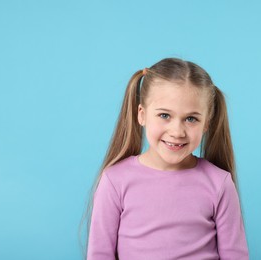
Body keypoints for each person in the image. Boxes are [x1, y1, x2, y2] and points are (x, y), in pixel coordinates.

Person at [85, 58, 249, 259]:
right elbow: (100, 254)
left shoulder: (220, 184)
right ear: (142, 115)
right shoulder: (114, 181)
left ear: (206, 123)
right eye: (164, 115)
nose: (177, 131)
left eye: (191, 119)